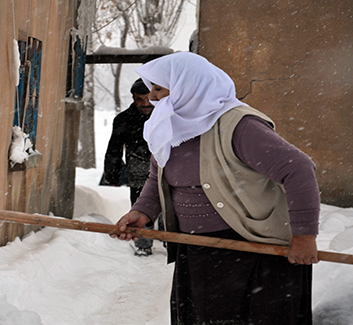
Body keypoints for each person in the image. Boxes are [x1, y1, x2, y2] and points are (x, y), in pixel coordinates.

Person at [111, 52, 320, 324]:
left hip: (253, 253)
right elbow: (158, 176)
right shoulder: (169, 126)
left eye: (159, 88)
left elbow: (298, 169)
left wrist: (304, 237)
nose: (152, 97)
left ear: (187, 85)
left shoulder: (239, 125)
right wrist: (143, 211)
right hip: (199, 250)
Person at [102, 78, 158, 256]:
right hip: (139, 171)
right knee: (141, 209)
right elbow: (114, 149)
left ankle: (170, 240)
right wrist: (112, 175)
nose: (145, 104)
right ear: (133, 99)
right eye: (139, 99)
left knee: (170, 208)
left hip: (166, 170)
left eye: (149, 99)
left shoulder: (165, 116)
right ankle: (143, 244)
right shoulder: (124, 120)